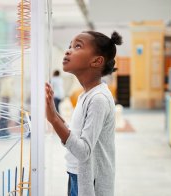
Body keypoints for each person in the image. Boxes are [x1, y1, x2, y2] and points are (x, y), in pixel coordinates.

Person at [46, 31, 122, 196]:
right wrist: (54, 112)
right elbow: (76, 135)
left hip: (89, 182)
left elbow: (83, 151)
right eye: (69, 46)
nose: (68, 51)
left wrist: (53, 120)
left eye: (77, 46)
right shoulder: (86, 95)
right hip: (77, 175)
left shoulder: (98, 99)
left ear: (96, 61)